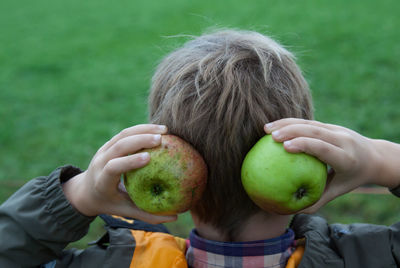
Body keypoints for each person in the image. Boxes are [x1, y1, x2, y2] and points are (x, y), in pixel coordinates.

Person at [0, 29, 399, 268]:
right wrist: (381, 159)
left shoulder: (117, 262)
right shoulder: (371, 257)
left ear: (166, 156)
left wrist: (79, 195)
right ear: (311, 152)